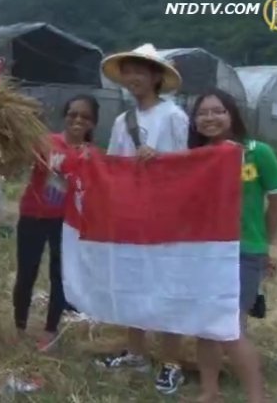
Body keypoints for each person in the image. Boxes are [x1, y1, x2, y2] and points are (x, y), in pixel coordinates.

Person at [99, 43, 190, 395]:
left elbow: (187, 167)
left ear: (155, 77)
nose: (133, 77)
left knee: (166, 289)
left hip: (165, 218)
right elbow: (112, 165)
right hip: (131, 217)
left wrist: (160, 159)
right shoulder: (123, 120)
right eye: (128, 71)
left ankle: (171, 363)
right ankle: (136, 352)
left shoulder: (173, 117)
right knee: (133, 285)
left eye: (140, 70)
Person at [188, 89, 277, 403]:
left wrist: (265, 244)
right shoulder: (193, 159)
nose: (210, 118)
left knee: (231, 327)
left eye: (218, 111)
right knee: (205, 325)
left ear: (232, 115)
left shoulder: (258, 152)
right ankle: (209, 391)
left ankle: (257, 397)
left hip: (244, 251)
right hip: (204, 251)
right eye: (203, 113)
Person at [14, 94, 100, 352]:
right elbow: (20, 155)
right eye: (73, 114)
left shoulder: (93, 156)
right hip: (33, 216)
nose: (77, 120)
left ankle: (50, 330)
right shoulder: (46, 142)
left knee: (60, 276)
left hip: (67, 223)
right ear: (65, 116)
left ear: (93, 123)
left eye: (85, 116)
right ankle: (19, 326)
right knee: (26, 272)